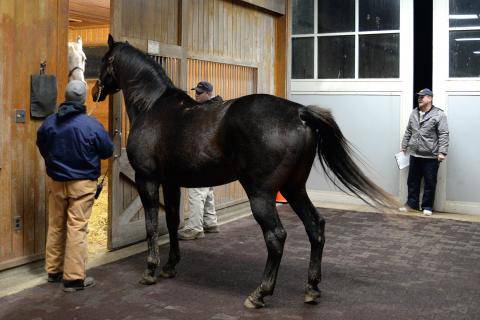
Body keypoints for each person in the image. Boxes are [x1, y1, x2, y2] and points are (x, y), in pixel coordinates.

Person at [36, 80, 113, 291]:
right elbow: (107, 151)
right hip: (82, 184)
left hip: (57, 181)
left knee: (56, 225)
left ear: (66, 97)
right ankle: (73, 278)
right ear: (82, 99)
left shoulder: (50, 122)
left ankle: (53, 271)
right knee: (77, 228)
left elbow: (42, 146)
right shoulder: (92, 125)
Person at [178, 81, 223, 240]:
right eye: (195, 91)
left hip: (203, 155)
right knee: (207, 190)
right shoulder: (217, 107)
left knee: (196, 190)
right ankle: (210, 222)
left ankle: (194, 228)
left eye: (199, 92)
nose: (196, 94)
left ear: (209, 94)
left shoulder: (208, 110)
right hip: (213, 156)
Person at [399, 88, 449, 216]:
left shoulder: (439, 114)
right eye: (419, 96)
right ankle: (412, 204)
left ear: (430, 98)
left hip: (431, 156)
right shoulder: (414, 113)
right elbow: (409, 130)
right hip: (415, 154)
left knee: (430, 182)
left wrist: (442, 152)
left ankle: (427, 206)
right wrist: (404, 145)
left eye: (423, 96)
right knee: (412, 181)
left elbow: (444, 134)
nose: (420, 98)